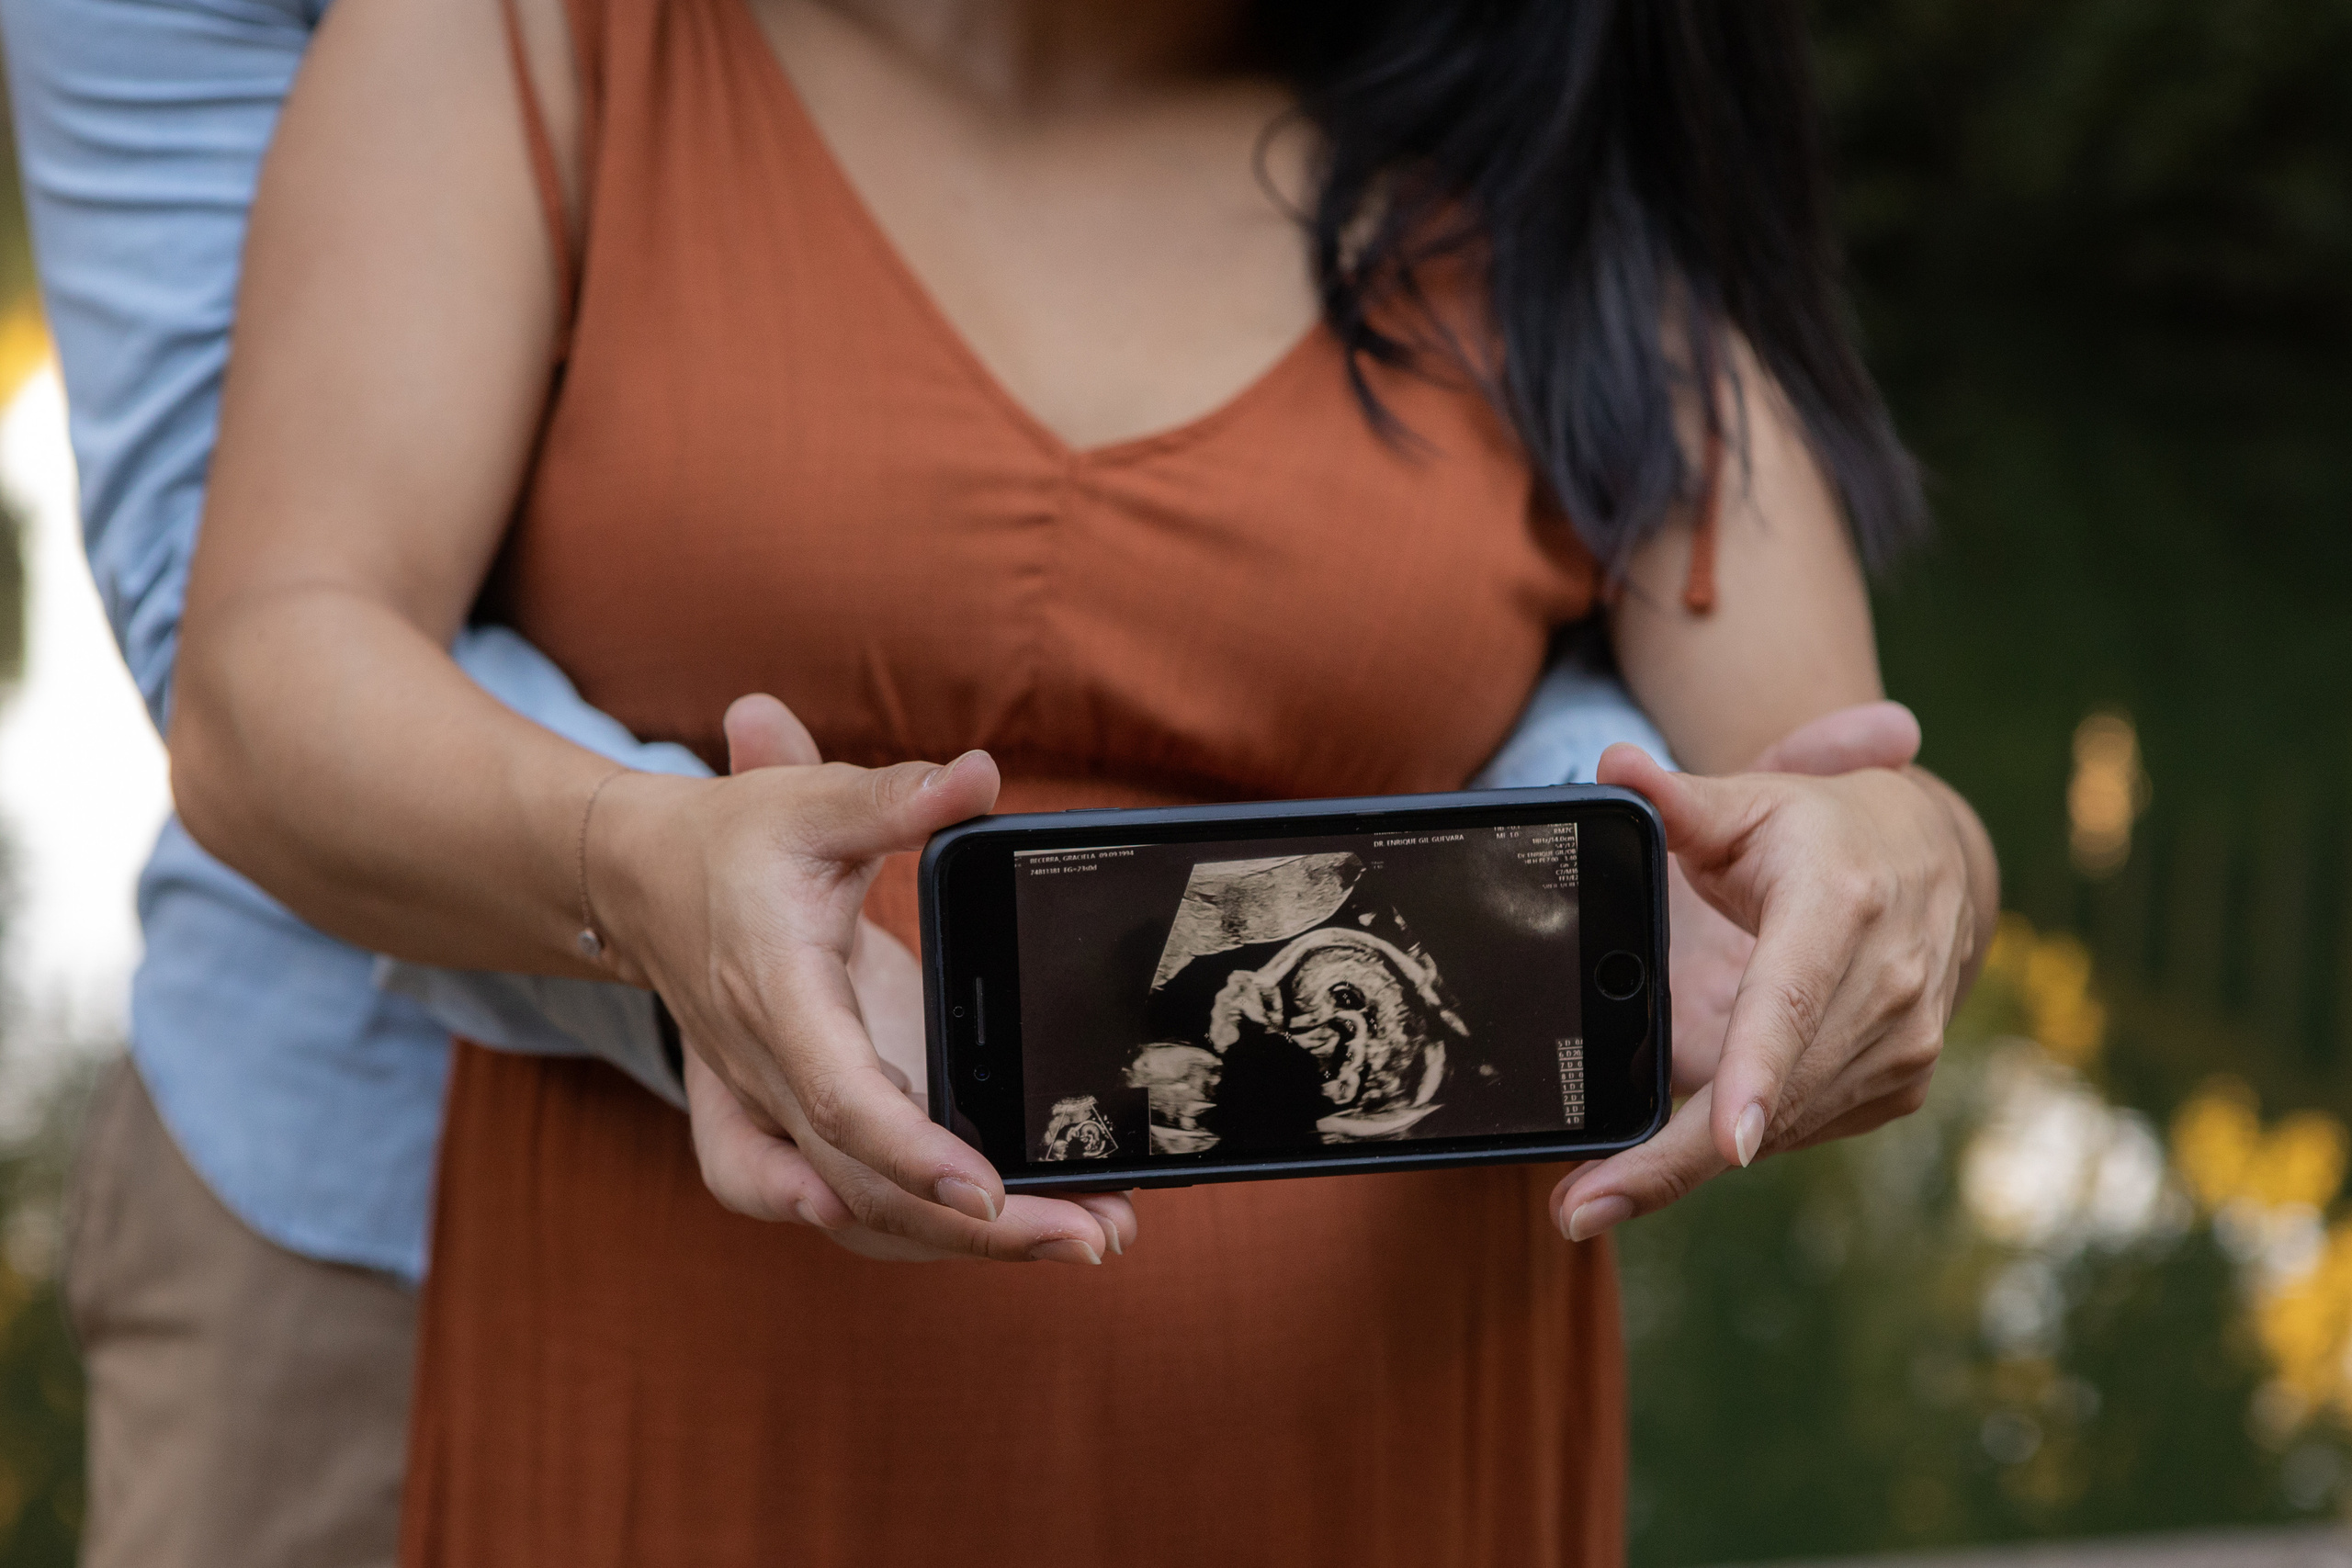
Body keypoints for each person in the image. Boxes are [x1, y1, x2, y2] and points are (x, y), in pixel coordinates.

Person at [164, 0, 1996, 1562]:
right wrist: (629, 860)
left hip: (1384, 1464)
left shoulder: (1550, 152)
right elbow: (263, 685)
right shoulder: (532, 41)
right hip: (672, 1425)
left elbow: (1825, 793)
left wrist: (1917, 873)